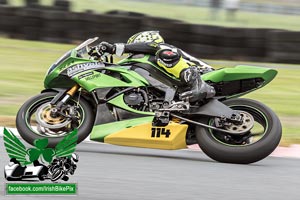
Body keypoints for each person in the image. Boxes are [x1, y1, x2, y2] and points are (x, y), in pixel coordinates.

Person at [89, 31, 215, 103]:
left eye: (134, 47)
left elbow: (150, 47)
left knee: (164, 54)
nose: (133, 53)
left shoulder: (162, 48)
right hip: (183, 84)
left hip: (205, 75)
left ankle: (197, 84)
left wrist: (114, 48)